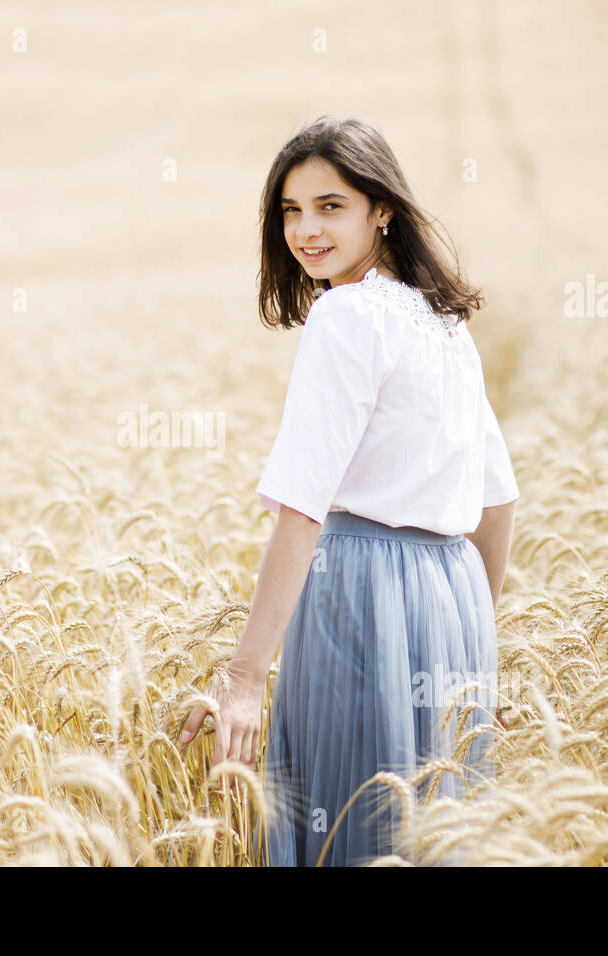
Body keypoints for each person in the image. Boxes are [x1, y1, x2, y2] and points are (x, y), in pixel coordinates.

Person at [179, 115, 519, 866]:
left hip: (358, 594)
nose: (307, 230)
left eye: (330, 206)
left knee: (350, 833)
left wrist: (242, 679)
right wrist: (475, 649)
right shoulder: (446, 325)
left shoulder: (345, 315)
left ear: (382, 209)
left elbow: (303, 510)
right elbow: (497, 503)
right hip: (456, 601)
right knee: (433, 839)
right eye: (291, 211)